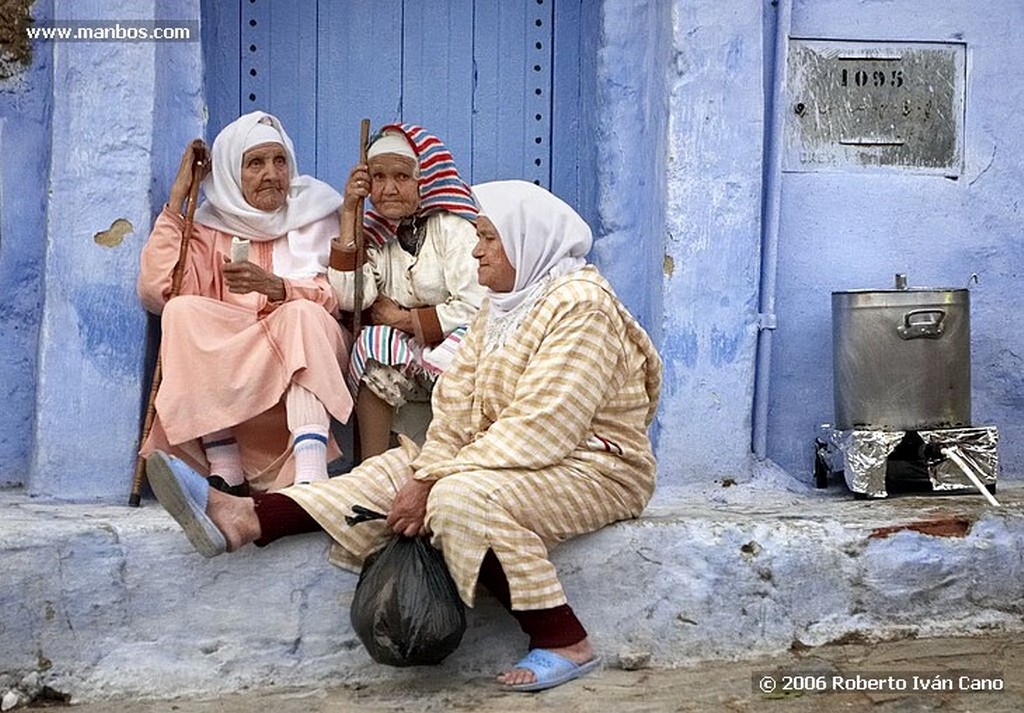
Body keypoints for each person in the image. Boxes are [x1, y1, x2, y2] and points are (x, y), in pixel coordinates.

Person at [145, 180, 663, 691]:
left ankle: (565, 639)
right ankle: (244, 518)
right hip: (522, 455)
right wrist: (422, 472)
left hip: (596, 466)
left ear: (527, 241)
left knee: (458, 498)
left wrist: (433, 479)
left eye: (487, 238)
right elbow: (456, 406)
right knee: (392, 472)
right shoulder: (502, 306)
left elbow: (542, 427)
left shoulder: (581, 307)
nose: (477, 252)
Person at [137, 111, 353, 495]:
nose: (271, 174)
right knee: (181, 311)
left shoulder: (318, 215)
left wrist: (279, 288)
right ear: (231, 173)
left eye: (279, 160)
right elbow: (159, 291)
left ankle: (311, 474)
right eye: (255, 163)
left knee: (303, 314)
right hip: (236, 362)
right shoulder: (208, 228)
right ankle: (225, 465)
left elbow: (341, 297)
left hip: (303, 345)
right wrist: (176, 202)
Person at [329, 124, 484, 461]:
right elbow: (351, 299)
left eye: (401, 177)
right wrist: (349, 215)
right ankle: (369, 472)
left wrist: (405, 319)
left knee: (466, 342)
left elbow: (477, 306)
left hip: (457, 356)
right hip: (414, 358)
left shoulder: (453, 226)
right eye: (378, 178)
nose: (388, 189)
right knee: (371, 343)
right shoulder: (375, 234)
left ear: (423, 179)